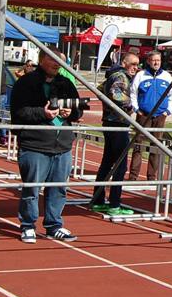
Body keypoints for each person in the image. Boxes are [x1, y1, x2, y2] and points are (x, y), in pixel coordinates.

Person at [10, 49, 84, 243]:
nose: (57, 64)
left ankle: (54, 225)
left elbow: (78, 111)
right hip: (35, 145)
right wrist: (43, 114)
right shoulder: (25, 83)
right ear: (42, 59)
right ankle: (28, 225)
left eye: (61, 61)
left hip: (62, 145)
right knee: (32, 189)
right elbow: (18, 112)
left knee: (58, 188)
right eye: (53, 60)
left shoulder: (66, 83)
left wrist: (71, 113)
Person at [90, 52, 140, 216]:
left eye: (137, 64)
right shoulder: (121, 76)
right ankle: (114, 203)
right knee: (120, 165)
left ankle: (98, 200)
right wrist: (132, 105)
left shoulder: (113, 74)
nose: (136, 67)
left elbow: (100, 89)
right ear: (124, 63)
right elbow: (116, 94)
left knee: (107, 162)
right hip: (117, 123)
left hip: (111, 121)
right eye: (133, 64)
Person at [128, 51, 172, 181]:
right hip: (143, 115)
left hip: (160, 116)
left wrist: (168, 111)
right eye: (153, 60)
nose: (156, 63)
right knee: (138, 145)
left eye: (158, 60)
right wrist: (136, 109)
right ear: (148, 61)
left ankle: (151, 176)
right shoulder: (140, 75)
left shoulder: (167, 76)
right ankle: (133, 176)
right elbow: (133, 93)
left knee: (156, 146)